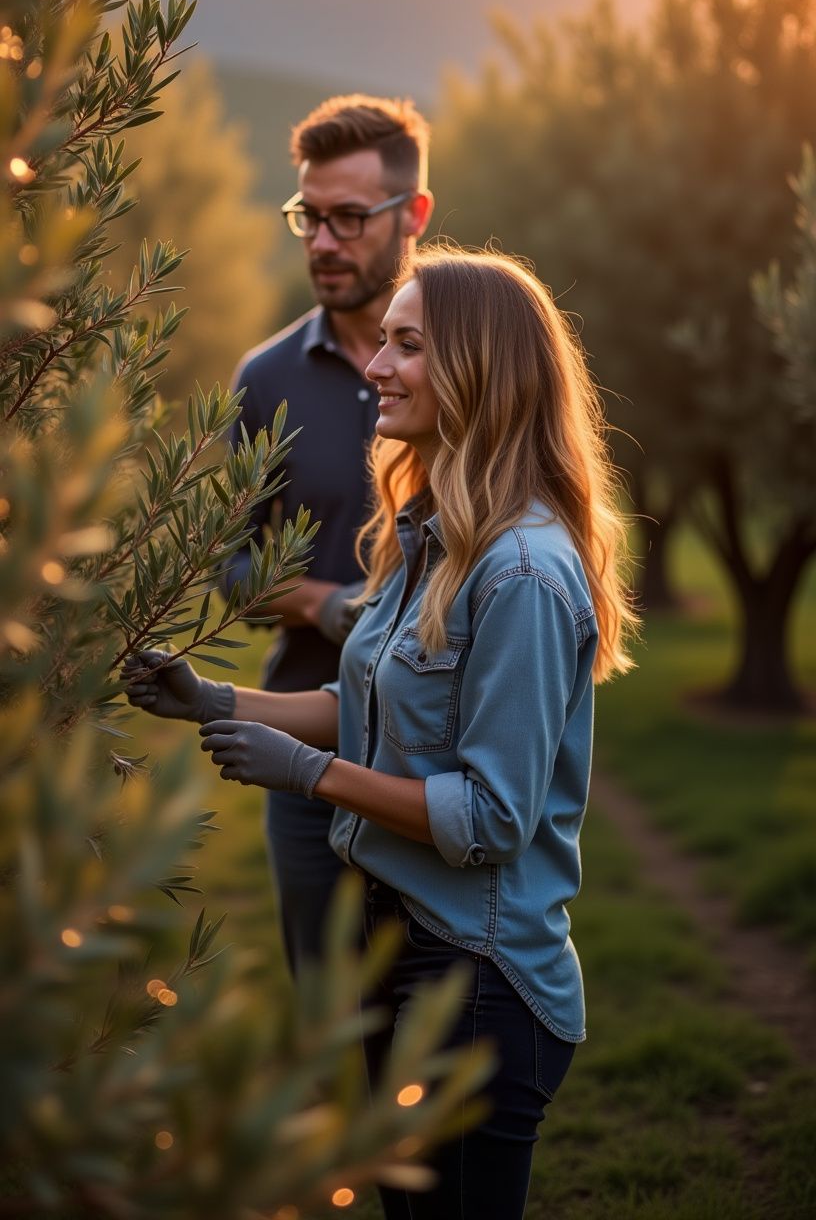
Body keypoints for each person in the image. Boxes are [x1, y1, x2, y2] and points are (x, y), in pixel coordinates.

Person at [125, 249, 637, 1219]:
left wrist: (311, 777)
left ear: (479, 370)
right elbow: (368, 710)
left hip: (481, 979)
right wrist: (215, 701)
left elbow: (488, 819)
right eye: (384, 343)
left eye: (408, 346)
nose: (377, 367)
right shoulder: (436, 535)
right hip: (401, 940)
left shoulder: (522, 574)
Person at [222, 95, 433, 973]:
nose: (322, 240)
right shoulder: (265, 378)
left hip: (432, 757)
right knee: (322, 1006)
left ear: (413, 215)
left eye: (348, 217)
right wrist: (326, 605)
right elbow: (227, 571)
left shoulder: (465, 371)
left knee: (432, 1011)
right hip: (302, 743)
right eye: (309, 216)